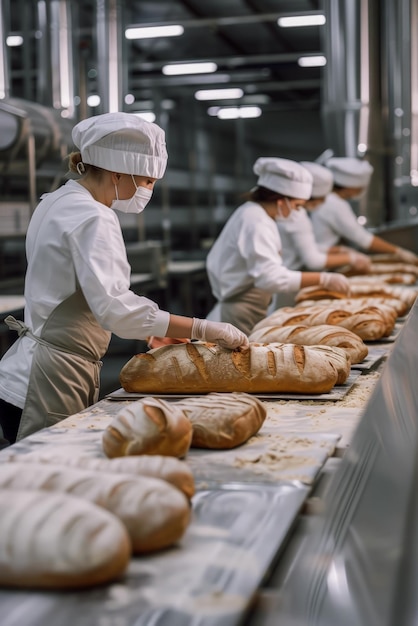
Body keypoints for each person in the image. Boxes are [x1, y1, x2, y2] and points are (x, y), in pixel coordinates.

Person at [0, 112, 249, 446]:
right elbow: (116, 309)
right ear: (118, 172)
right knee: (46, 483)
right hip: (48, 379)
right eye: (147, 181)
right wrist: (202, 328)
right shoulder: (93, 216)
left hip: (38, 365)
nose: (150, 190)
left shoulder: (58, 200)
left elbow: (88, 296)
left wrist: (156, 330)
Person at [206, 157, 351, 335]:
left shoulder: (257, 214)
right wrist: (324, 279)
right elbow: (270, 278)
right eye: (297, 206)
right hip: (241, 308)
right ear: (282, 201)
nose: (298, 212)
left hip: (251, 302)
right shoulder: (255, 221)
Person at [270, 161, 371, 310]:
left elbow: (301, 246)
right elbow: (312, 260)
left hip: (288, 281)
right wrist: (350, 259)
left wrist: (332, 250)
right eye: (322, 198)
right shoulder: (296, 216)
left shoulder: (296, 213)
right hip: (289, 283)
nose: (324, 203)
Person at [310, 157, 418, 263]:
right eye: (361, 186)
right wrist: (399, 252)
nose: (363, 190)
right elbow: (362, 238)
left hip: (322, 255)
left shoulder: (329, 199)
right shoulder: (334, 204)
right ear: (352, 186)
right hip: (320, 260)